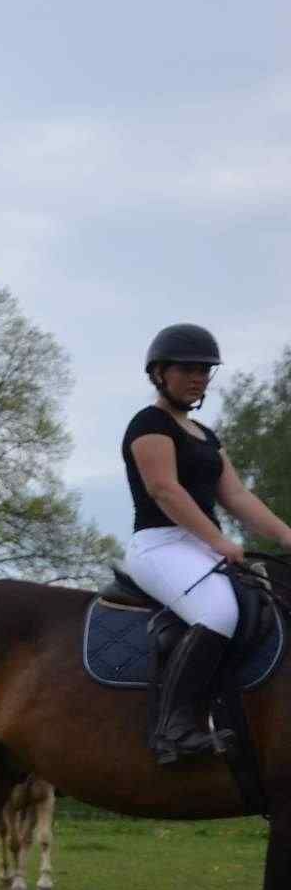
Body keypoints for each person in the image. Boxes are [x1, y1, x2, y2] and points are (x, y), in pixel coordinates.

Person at [122, 323, 291, 763]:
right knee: (219, 612)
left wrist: (285, 534)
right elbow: (165, 491)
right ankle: (173, 728)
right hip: (159, 545)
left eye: (205, 370)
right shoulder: (149, 424)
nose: (198, 377)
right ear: (159, 372)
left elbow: (236, 495)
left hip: (196, 546)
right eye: (187, 369)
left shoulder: (205, 436)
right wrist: (218, 540)